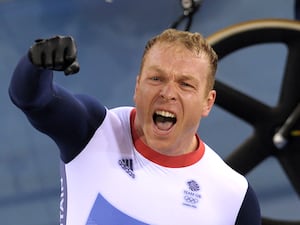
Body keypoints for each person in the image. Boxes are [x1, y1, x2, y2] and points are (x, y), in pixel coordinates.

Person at [9, 29, 261, 225]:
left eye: (185, 84)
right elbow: (33, 100)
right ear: (137, 86)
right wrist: (35, 64)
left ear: (208, 103)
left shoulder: (234, 197)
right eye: (156, 78)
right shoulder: (94, 131)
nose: (167, 92)